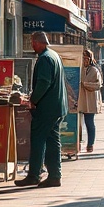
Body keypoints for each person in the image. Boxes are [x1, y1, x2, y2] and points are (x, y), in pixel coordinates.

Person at [15, 31, 66, 188]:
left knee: (38, 140)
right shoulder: (54, 55)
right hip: (57, 106)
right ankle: (55, 175)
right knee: (52, 140)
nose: (32, 46)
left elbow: (44, 82)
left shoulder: (44, 59)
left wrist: (33, 100)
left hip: (47, 108)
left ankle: (34, 175)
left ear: (38, 42)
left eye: (32, 42)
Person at [78, 50, 103, 153]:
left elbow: (98, 85)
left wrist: (86, 84)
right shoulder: (79, 69)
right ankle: (78, 143)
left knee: (89, 122)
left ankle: (90, 144)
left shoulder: (94, 70)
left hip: (90, 99)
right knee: (78, 123)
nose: (85, 61)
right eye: (83, 58)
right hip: (80, 98)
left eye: (87, 58)